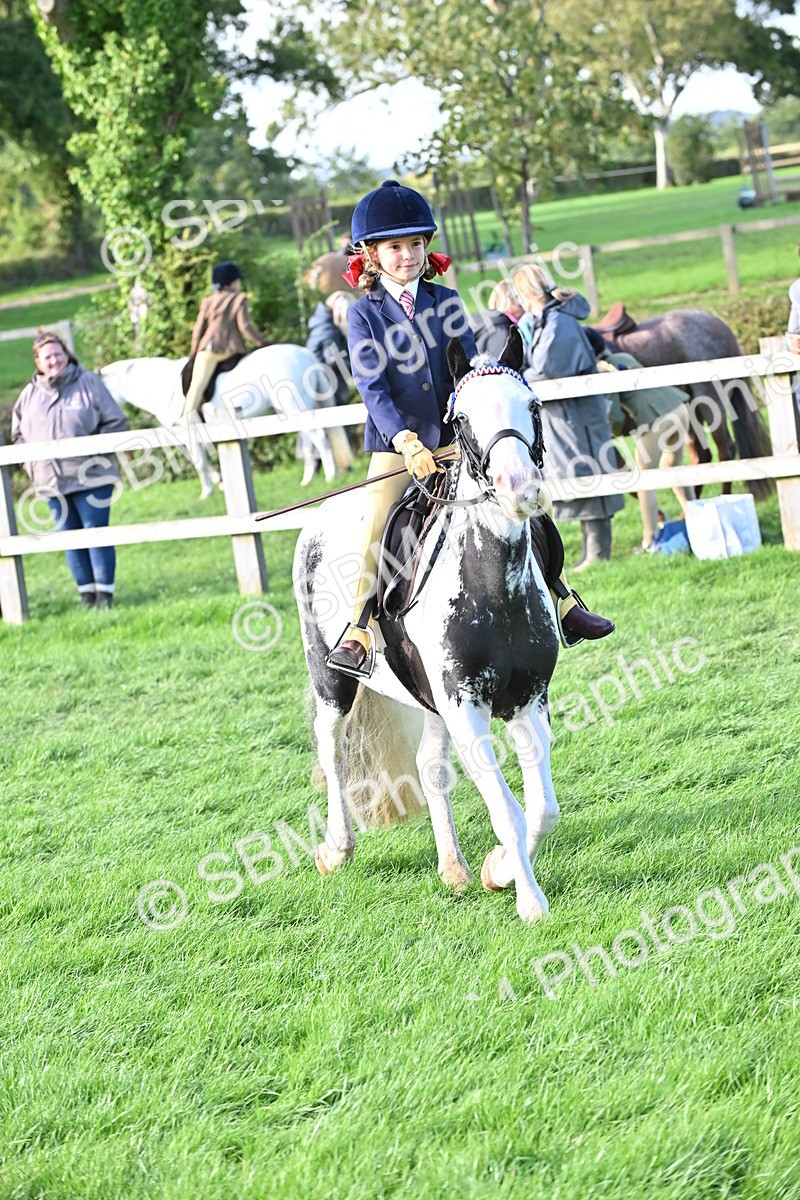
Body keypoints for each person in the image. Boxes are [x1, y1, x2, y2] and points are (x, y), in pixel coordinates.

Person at [327, 180, 613, 676]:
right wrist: (406, 441)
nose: (408, 256)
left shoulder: (447, 300)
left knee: (526, 499)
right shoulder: (363, 315)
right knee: (378, 521)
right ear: (372, 255)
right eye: (395, 248)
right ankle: (358, 629)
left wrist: (484, 396)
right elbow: (372, 389)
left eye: (415, 245)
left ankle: (564, 602)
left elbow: (465, 366)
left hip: (456, 442)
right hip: (397, 446)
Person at [513, 263, 624, 571]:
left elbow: (548, 366)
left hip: (578, 416)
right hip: (565, 417)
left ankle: (599, 553)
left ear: (526, 293)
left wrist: (520, 376)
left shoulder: (559, 321)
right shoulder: (545, 320)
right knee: (573, 477)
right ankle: (591, 552)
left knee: (588, 474)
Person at [12, 331, 128, 607]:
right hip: (50, 482)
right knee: (69, 537)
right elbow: (18, 436)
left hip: (92, 479)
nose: (54, 361)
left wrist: (96, 456)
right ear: (38, 362)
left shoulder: (88, 383)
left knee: (95, 532)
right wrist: (32, 467)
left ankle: (105, 597)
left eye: (58, 354)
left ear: (67, 355)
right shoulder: (29, 395)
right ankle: (87, 597)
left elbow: (116, 422)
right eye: (47, 357)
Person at [182, 260, 268, 417]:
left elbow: (198, 329)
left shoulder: (208, 301)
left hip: (207, 349)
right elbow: (245, 327)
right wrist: (262, 343)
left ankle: (187, 416)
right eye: (237, 280)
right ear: (232, 282)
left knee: (197, 384)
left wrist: (193, 352)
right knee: (198, 382)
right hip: (230, 348)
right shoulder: (239, 298)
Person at [470, 279, 525, 357]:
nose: (524, 304)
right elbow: (501, 367)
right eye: (520, 299)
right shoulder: (501, 331)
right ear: (509, 301)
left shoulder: (479, 319)